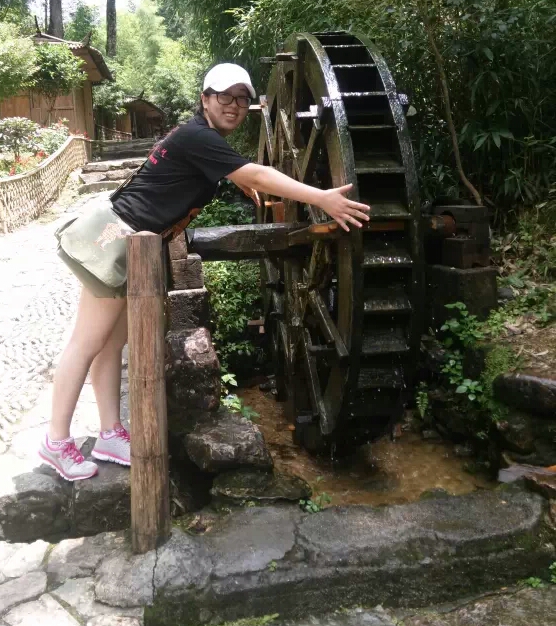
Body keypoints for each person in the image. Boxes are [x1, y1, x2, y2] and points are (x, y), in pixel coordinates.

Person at [39, 63, 371, 480]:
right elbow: (256, 172)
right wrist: (321, 198)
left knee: (110, 344)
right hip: (114, 240)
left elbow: (219, 173)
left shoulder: (200, 137)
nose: (234, 105)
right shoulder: (199, 136)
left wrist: (239, 180)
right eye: (224, 96)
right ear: (205, 99)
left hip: (133, 246)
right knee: (86, 343)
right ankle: (55, 441)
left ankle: (109, 433)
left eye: (242, 98)